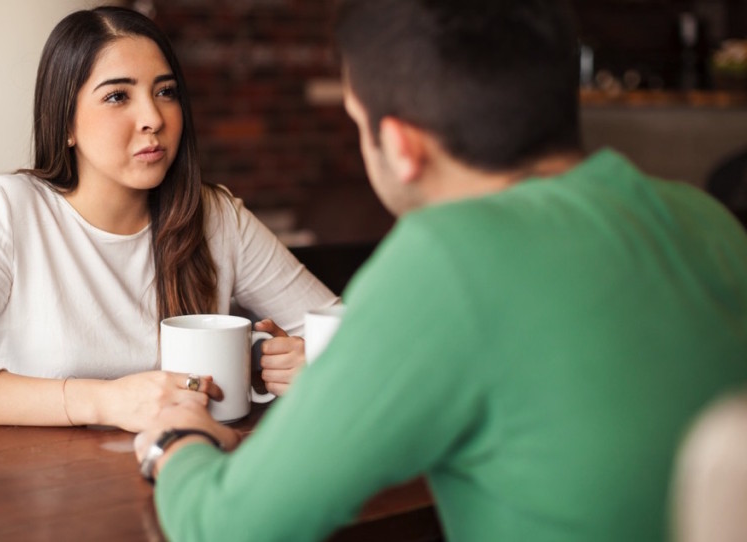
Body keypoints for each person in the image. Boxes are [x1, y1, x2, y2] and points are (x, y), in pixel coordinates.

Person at [134, 1, 747, 540]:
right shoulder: (706, 219)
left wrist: (176, 441)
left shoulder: (448, 256)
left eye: (356, 122)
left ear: (401, 145)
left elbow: (229, 527)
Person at [0, 6, 337, 431]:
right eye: (117, 96)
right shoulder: (8, 209)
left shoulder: (215, 216)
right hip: (37, 490)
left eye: (165, 92)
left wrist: (312, 361)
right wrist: (105, 400)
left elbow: (354, 336)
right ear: (64, 121)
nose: (153, 118)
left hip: (182, 471)